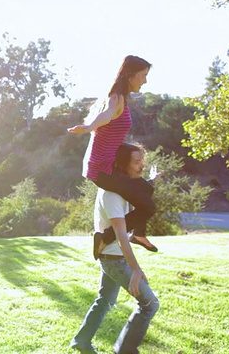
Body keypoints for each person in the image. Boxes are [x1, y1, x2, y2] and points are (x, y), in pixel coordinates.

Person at [69, 143, 159, 354]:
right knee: (150, 304)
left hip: (111, 257)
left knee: (104, 301)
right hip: (114, 260)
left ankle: (81, 342)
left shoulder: (124, 189)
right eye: (137, 162)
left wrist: (154, 181)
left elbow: (141, 189)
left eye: (142, 161)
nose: (141, 166)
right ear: (122, 165)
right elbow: (121, 237)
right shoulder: (112, 195)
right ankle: (125, 350)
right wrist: (135, 269)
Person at [68, 55, 158, 253]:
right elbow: (107, 115)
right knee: (148, 207)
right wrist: (90, 126)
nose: (145, 80)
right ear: (130, 75)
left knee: (147, 189)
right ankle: (104, 238)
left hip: (107, 166)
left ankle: (139, 234)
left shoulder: (121, 97)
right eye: (142, 75)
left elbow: (112, 131)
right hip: (102, 171)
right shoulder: (116, 98)